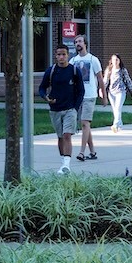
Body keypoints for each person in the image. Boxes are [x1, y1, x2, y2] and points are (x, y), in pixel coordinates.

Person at [38, 44, 85, 174]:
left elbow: (81, 91)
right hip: (55, 109)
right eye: (59, 54)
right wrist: (46, 97)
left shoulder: (74, 71)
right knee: (60, 137)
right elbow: (42, 88)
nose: (61, 57)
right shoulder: (51, 71)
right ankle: (63, 162)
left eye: (64, 54)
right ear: (56, 56)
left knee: (67, 135)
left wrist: (75, 107)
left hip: (70, 109)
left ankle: (66, 165)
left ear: (68, 55)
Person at [70, 35, 105, 161]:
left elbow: (100, 78)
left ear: (85, 43)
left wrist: (104, 96)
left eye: (80, 41)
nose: (77, 44)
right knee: (85, 125)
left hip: (90, 95)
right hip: (77, 96)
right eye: (76, 42)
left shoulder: (93, 59)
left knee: (85, 123)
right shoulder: (73, 61)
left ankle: (81, 152)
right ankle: (92, 152)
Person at [103, 53, 132, 133]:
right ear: (111, 61)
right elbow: (105, 81)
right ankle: (120, 125)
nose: (115, 61)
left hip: (121, 91)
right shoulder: (109, 70)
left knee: (118, 108)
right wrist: (102, 90)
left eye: (117, 60)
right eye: (114, 60)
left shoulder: (122, 70)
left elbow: (128, 81)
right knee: (115, 110)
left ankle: (115, 125)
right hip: (111, 92)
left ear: (119, 61)